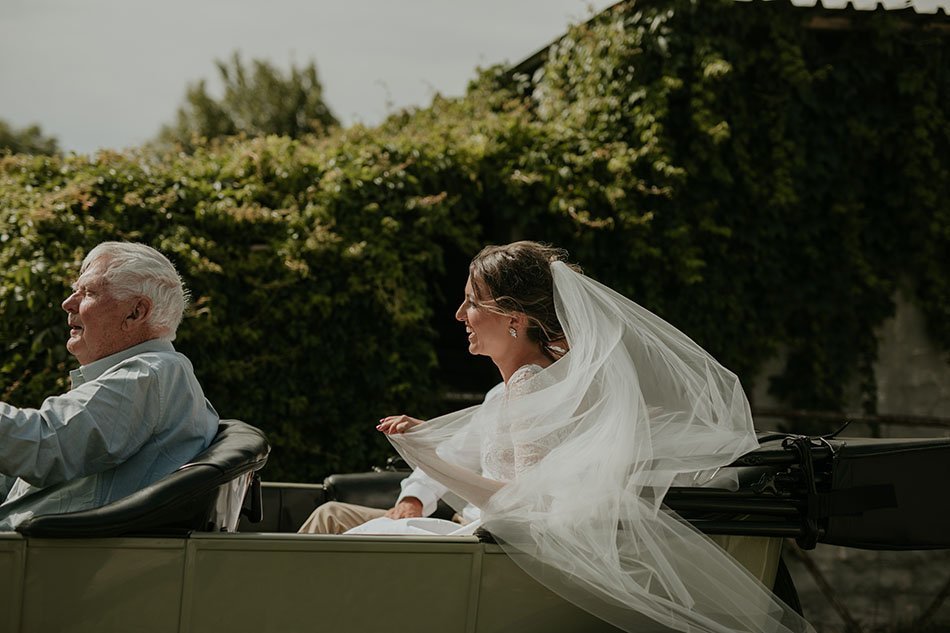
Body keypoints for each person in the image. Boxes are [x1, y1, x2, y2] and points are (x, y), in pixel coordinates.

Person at [306, 241, 813, 632]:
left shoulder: (531, 389)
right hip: (491, 538)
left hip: (499, 551)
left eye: (471, 303)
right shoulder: (528, 386)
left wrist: (428, 457)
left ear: (513, 319)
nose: (459, 315)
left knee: (349, 545)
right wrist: (425, 453)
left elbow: (525, 508)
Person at [0, 241, 219, 530]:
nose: (68, 303)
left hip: (48, 553)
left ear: (135, 312)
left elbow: (44, 444)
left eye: (88, 292)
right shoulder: (152, 376)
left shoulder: (149, 374)